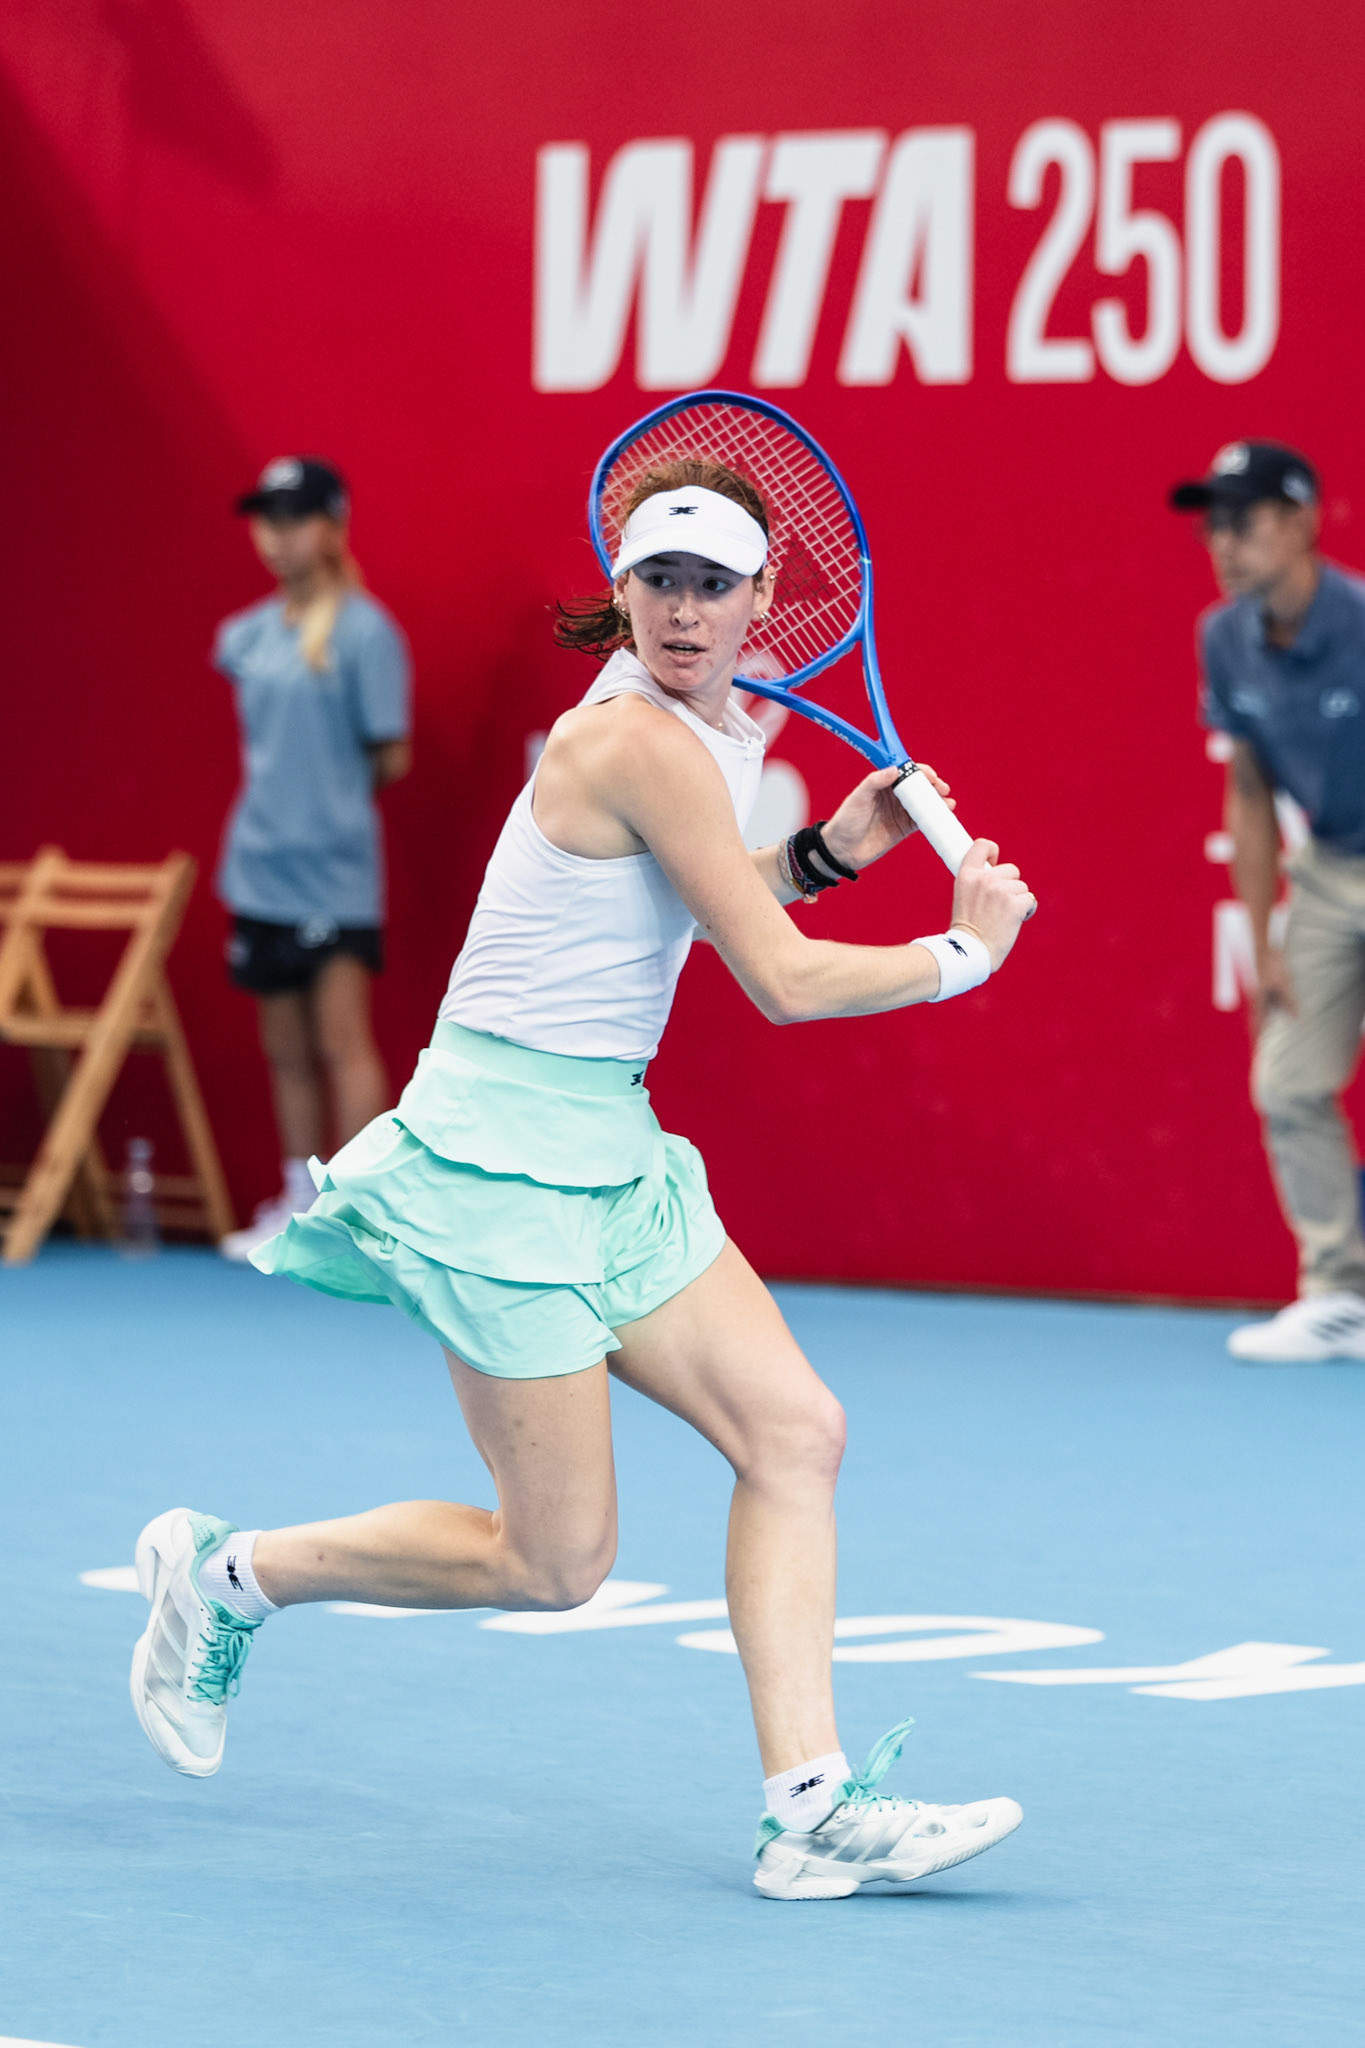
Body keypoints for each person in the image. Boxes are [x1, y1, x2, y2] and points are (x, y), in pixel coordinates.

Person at [131, 461, 1036, 1900]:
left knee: (794, 1433)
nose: (681, 610)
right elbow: (783, 985)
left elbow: (672, 897)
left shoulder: (709, 732)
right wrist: (960, 953)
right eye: (656, 580)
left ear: (763, 600)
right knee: (553, 1564)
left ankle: (807, 1814)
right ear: (620, 592)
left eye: (711, 583)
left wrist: (823, 851)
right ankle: (226, 1573)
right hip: (495, 1162)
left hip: (607, 1150)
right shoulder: (636, 739)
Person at [1171, 440, 1365, 1362]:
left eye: (1240, 522)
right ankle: (1338, 1293)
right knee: (1286, 1080)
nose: (1221, 542)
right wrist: (1266, 945)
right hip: (1328, 868)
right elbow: (1247, 793)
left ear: (1300, 523)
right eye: (1212, 525)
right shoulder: (1223, 634)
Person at [212, 456, 413, 1262]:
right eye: (266, 517)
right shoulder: (243, 637)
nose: (275, 535)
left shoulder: (367, 634)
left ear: (331, 528)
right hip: (257, 867)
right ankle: (298, 1199)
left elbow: (389, 754)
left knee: (341, 1040)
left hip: (333, 873)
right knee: (285, 1047)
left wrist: (324, 799)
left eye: (293, 518)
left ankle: (357, 1213)